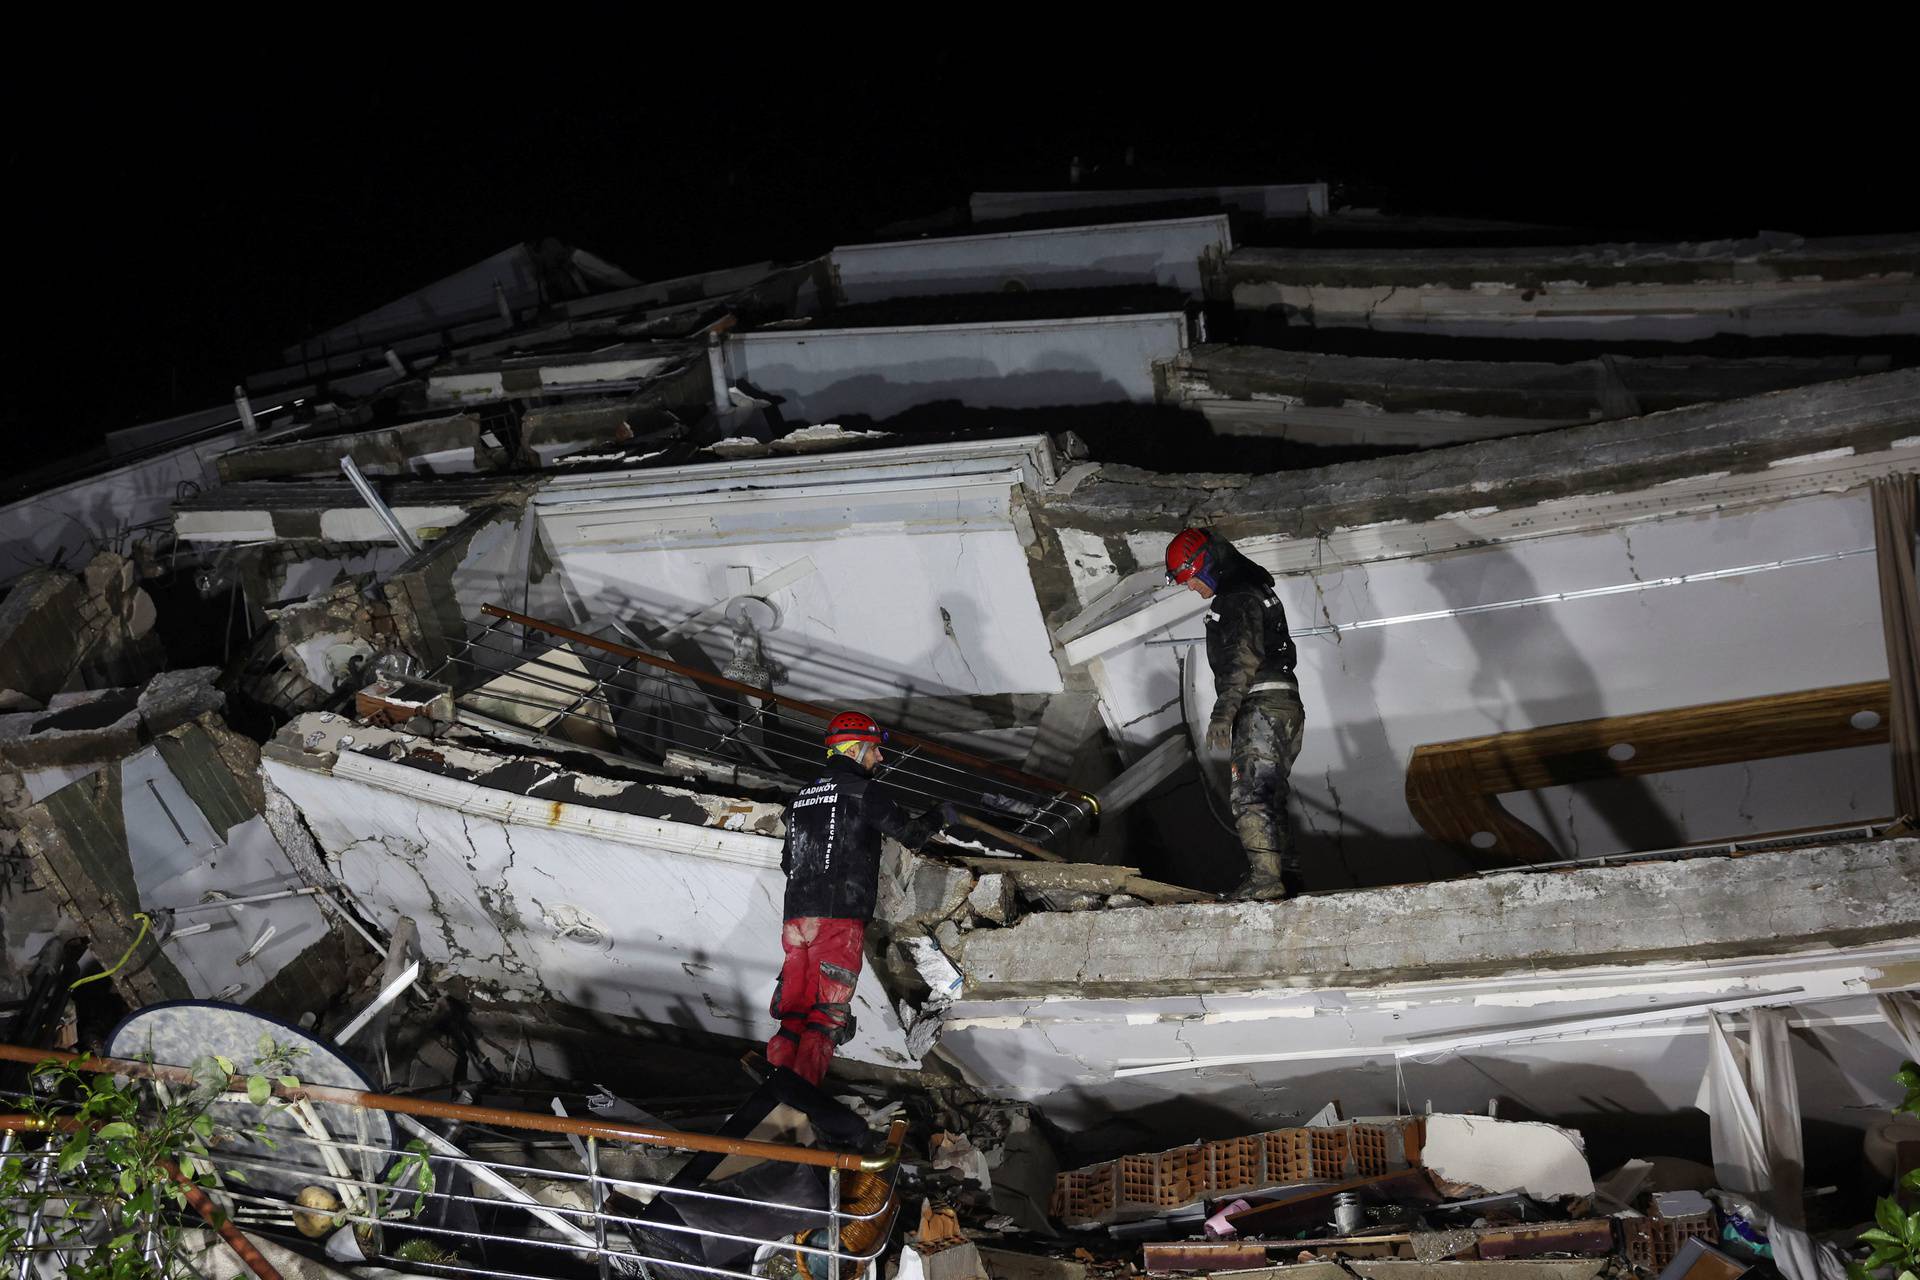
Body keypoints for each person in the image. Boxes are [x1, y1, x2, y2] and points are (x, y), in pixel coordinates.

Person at [767, 712, 958, 1085]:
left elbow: (789, 862)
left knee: (794, 1012)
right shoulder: (862, 791)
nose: (880, 759)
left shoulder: (801, 798)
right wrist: (942, 815)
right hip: (838, 918)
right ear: (854, 750)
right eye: (874, 751)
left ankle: (777, 1079)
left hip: (796, 918)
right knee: (825, 1015)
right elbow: (911, 834)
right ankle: (801, 1094)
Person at [1165, 528, 1306, 900]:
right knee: (1270, 795)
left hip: (1260, 704)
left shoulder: (1238, 596)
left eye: (1191, 578)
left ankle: (1266, 880)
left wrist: (1223, 712)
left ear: (1205, 565)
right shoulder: (1252, 588)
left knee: (1250, 794)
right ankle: (1285, 875)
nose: (1191, 588)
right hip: (1283, 705)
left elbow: (1242, 656)